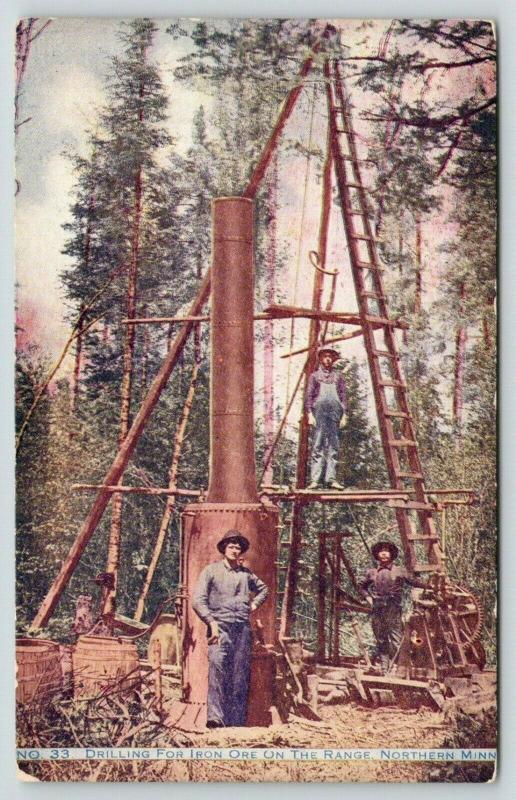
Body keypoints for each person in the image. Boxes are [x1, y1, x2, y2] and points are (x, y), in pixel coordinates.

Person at [191, 531, 269, 728]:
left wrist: (252, 606)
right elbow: (197, 600)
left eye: (238, 548)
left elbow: (264, 590)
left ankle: (237, 721)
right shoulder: (211, 571)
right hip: (219, 629)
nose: (235, 550)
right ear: (224, 549)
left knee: (240, 674)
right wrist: (211, 622)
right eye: (231, 547)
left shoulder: (246, 574)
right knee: (217, 670)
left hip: (242, 629)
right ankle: (215, 719)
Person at [359, 541, 430, 673]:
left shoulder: (400, 571)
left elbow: (414, 582)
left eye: (387, 551)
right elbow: (361, 587)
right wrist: (368, 598)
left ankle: (400, 668)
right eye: (381, 551)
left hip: (393, 608)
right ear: (377, 554)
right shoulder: (372, 572)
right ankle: (384, 668)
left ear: (392, 554)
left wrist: (430, 586)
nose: (384, 553)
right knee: (381, 639)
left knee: (396, 638)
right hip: (377, 608)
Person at [305, 347, 348, 489]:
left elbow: (343, 397)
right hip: (319, 413)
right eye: (325, 357)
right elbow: (309, 396)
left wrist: (344, 415)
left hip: (335, 413)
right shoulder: (314, 376)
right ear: (321, 359)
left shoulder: (338, 377)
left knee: (333, 446)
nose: (328, 359)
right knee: (318, 444)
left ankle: (331, 479)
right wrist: (310, 414)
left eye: (330, 357)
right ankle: (315, 480)